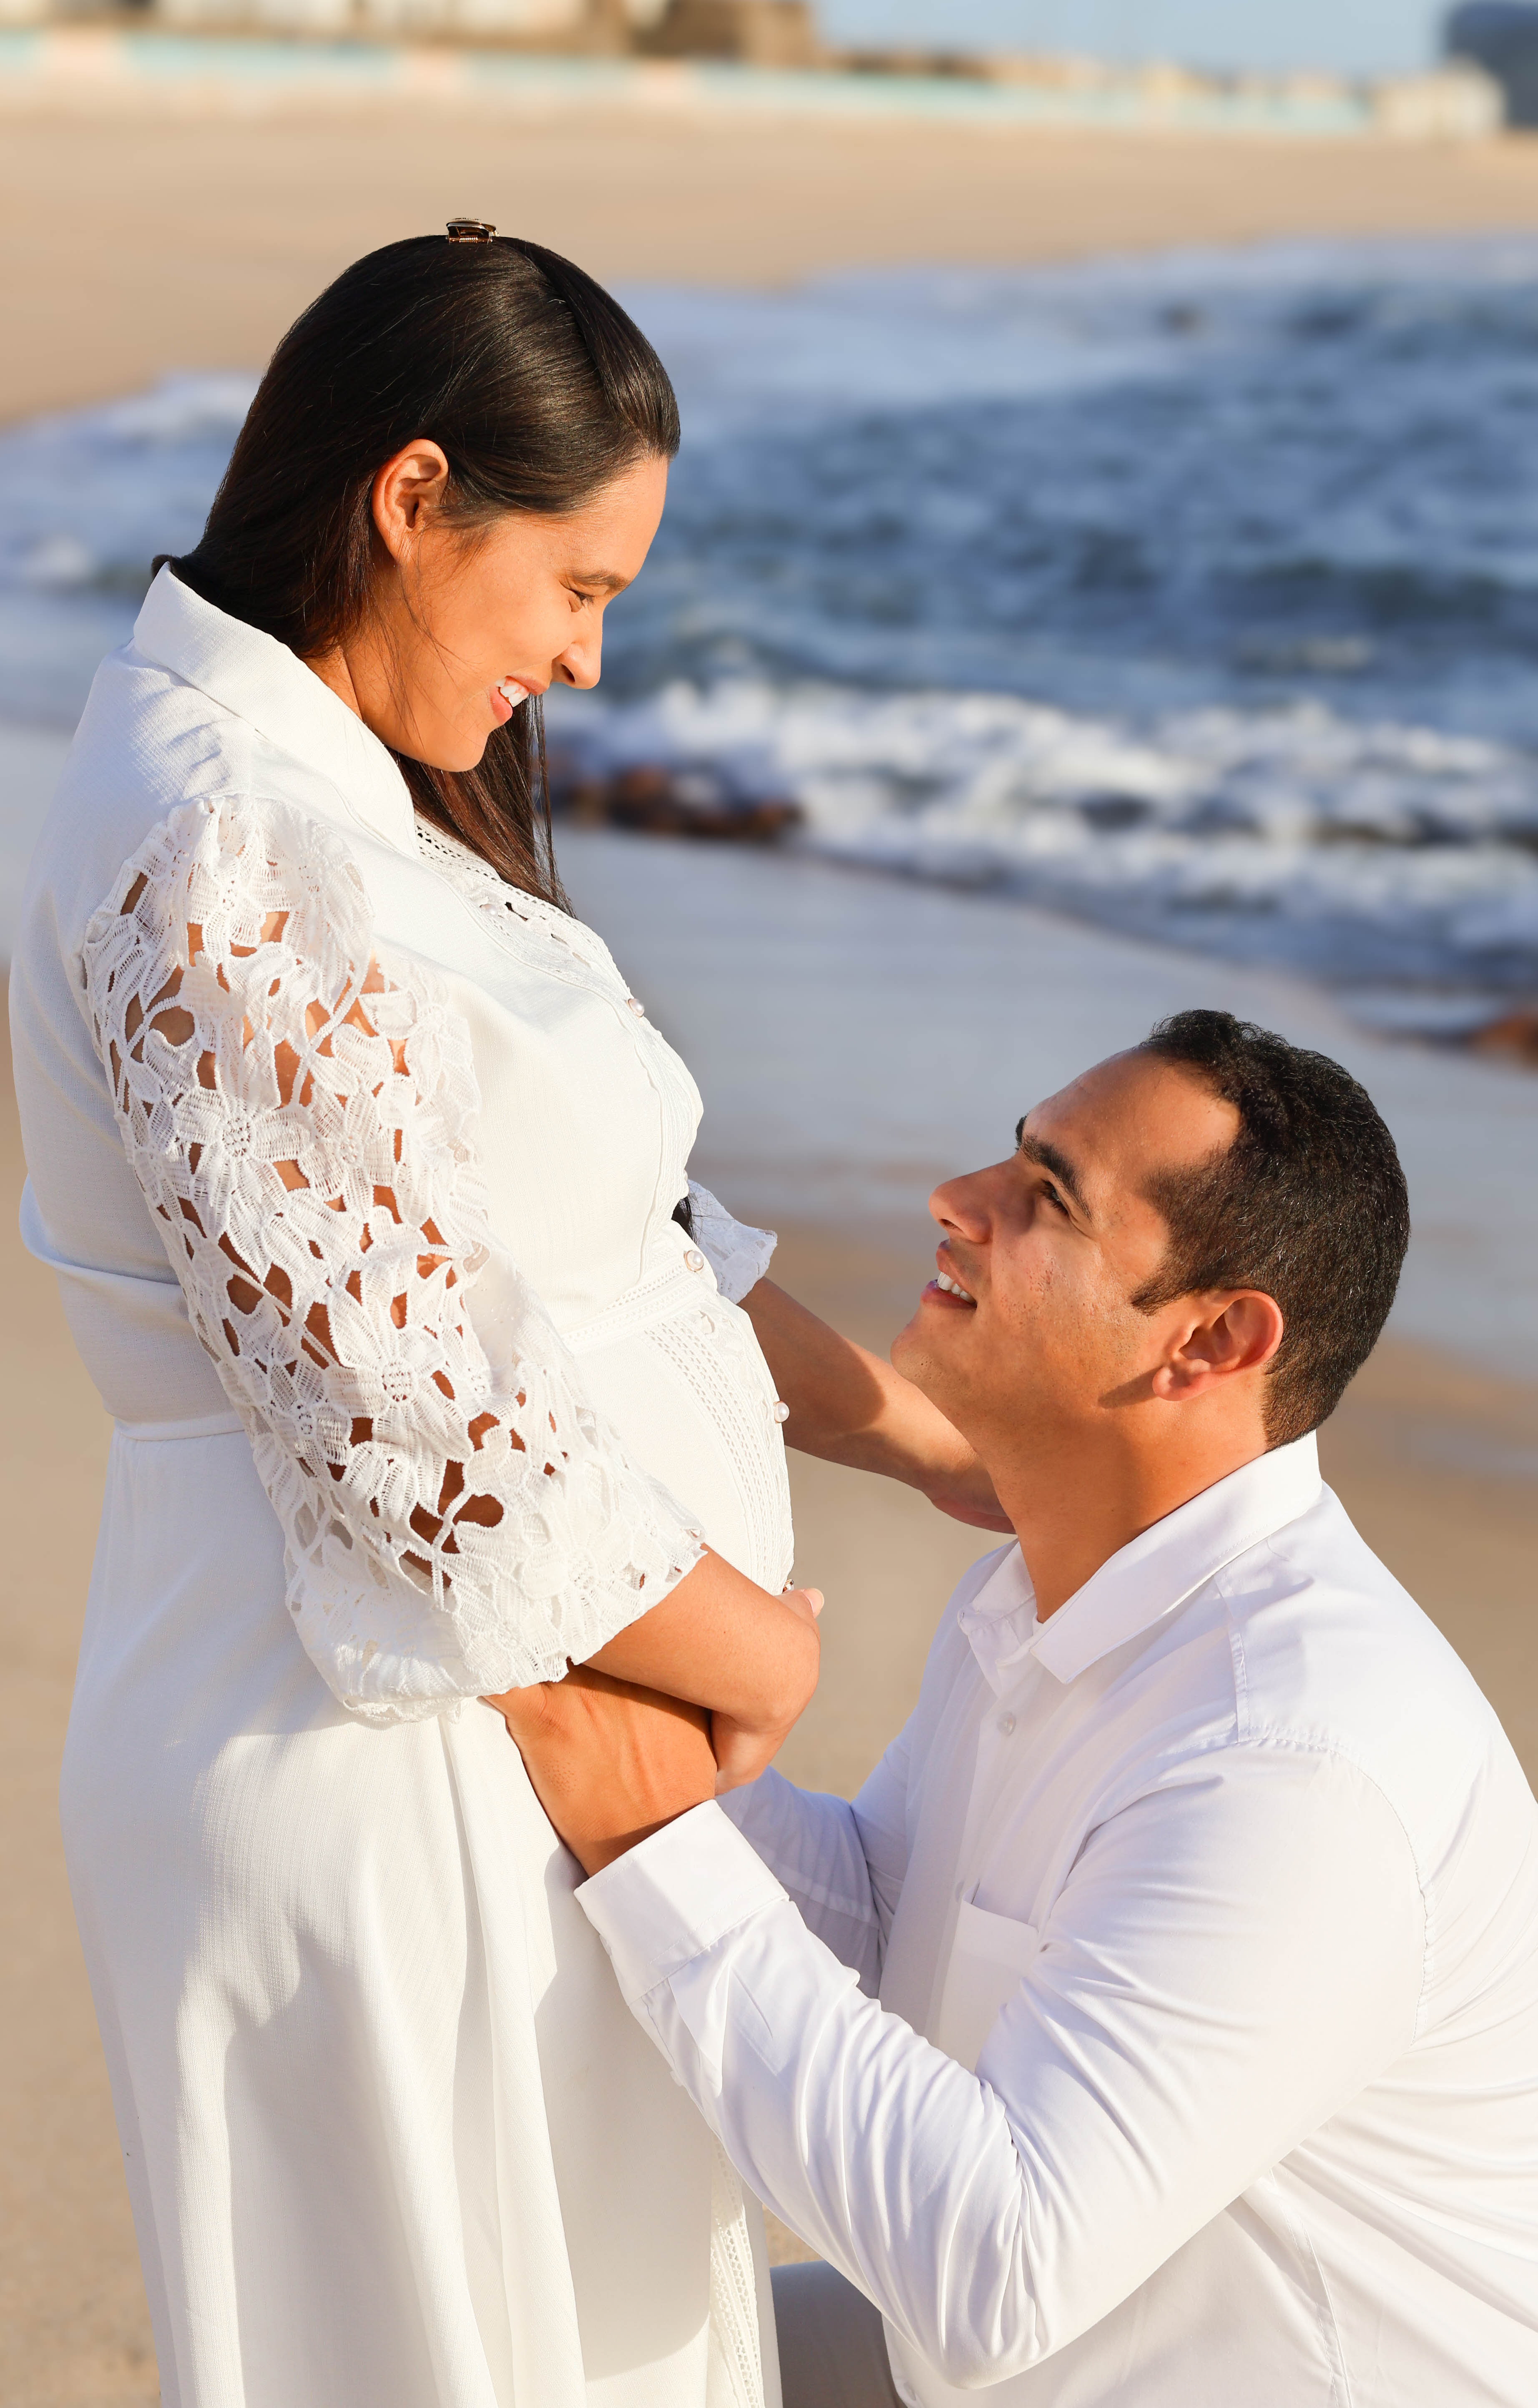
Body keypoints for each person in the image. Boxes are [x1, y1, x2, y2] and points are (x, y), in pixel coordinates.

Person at [9, 230, 998, 2408]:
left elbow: (632, 1249)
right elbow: (394, 1414)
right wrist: (759, 1658)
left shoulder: (332, 796)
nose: (587, 660)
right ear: (410, 493)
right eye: (579, 588)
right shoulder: (216, 833)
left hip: (508, 1725)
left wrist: (929, 1445)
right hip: (376, 1732)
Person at [503, 1011, 1538, 2408]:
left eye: (1048, 1196)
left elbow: (997, 2270)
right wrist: (681, 1785)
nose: (958, 1202)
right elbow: (898, 1923)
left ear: (1213, 1340)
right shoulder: (1052, 1598)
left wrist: (654, 1836)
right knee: (516, 2338)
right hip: (1039, 2363)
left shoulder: (1292, 1759)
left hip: (1124, 2355)